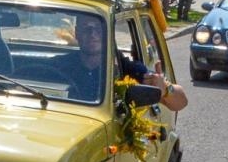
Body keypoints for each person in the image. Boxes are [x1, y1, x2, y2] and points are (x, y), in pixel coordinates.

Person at [60, 15, 188, 111]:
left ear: (109, 33)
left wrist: (166, 89)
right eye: (87, 29)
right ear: (77, 33)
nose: (93, 34)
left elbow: (181, 102)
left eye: (99, 29)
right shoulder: (60, 64)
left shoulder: (127, 70)